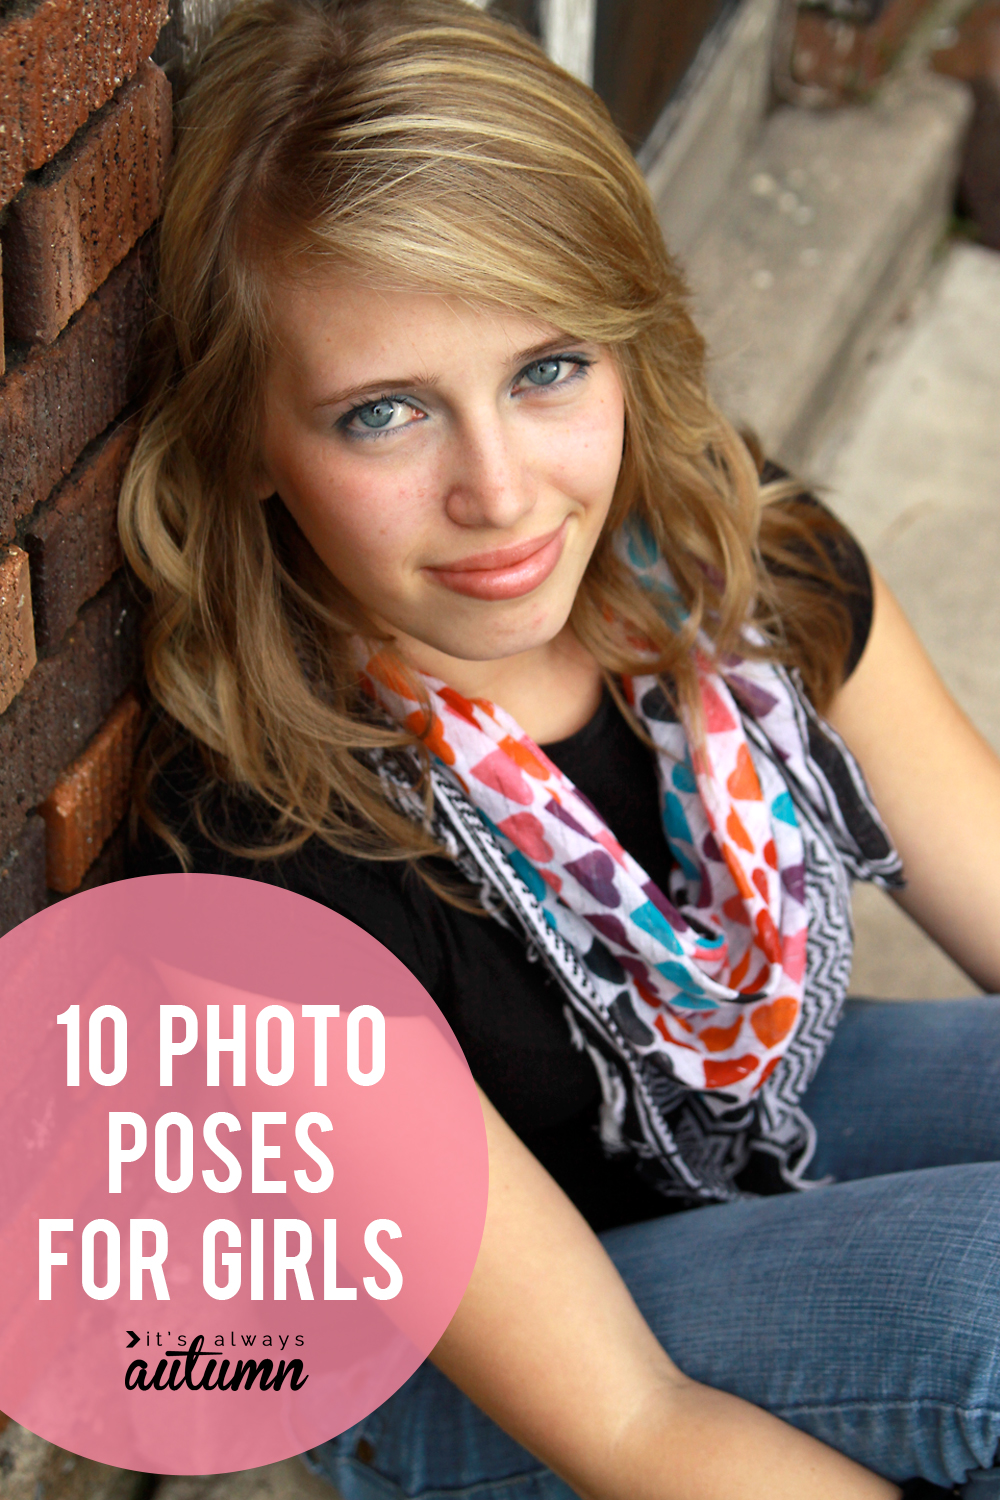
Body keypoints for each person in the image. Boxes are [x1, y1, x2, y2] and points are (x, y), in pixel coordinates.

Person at [121, 1, 1000, 1495]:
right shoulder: (254, 873)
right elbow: (632, 1423)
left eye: (548, 369)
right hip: (471, 1369)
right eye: (383, 413)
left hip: (733, 1132)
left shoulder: (730, 556)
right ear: (249, 446)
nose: (500, 493)